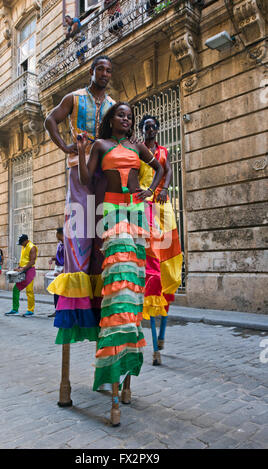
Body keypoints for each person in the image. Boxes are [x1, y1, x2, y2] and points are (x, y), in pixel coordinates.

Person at [77, 102, 164, 426]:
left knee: (132, 293)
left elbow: (161, 169)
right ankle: (116, 384)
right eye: (120, 115)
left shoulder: (138, 147)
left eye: (129, 116)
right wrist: (85, 149)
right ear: (111, 120)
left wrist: (151, 191)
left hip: (136, 215)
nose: (125, 119)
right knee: (117, 292)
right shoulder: (101, 145)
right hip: (111, 216)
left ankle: (125, 381)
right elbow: (87, 181)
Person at [45, 56, 115, 346]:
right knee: (78, 227)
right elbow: (50, 119)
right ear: (91, 71)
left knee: (101, 231)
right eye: (100, 68)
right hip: (78, 168)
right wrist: (64, 146)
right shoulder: (73, 98)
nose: (105, 73)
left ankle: (100, 292)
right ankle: (77, 291)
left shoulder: (112, 105)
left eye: (109, 70)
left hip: (103, 173)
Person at [138, 115, 183, 365]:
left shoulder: (163, 151)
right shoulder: (138, 151)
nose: (151, 129)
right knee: (152, 264)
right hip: (144, 206)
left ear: (158, 128)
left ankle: (162, 331)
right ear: (142, 130)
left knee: (169, 263)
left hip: (162, 207)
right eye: (147, 127)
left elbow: (166, 172)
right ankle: (154, 343)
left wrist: (164, 188)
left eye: (154, 126)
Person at [5, 234, 38, 317]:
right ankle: (15, 309)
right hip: (23, 270)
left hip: (29, 271)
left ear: (25, 240)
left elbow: (32, 261)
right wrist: (19, 268)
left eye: (21, 243)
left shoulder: (32, 247)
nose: (21, 245)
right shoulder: (24, 246)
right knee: (16, 289)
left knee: (29, 290)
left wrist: (22, 268)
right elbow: (24, 260)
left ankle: (30, 310)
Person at [48, 228, 64, 318]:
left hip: (63, 269)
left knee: (61, 291)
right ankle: (57, 309)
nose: (56, 236)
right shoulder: (59, 244)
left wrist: (62, 272)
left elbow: (69, 259)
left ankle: (61, 310)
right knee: (56, 291)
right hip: (57, 268)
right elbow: (59, 256)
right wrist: (52, 259)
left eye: (57, 234)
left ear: (61, 234)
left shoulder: (67, 245)